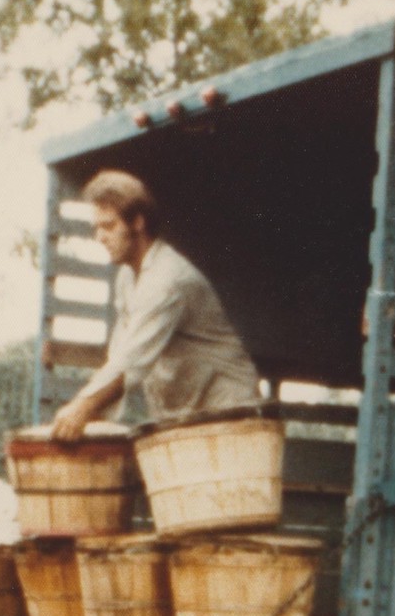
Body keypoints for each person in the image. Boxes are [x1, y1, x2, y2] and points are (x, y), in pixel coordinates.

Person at [50, 170, 260, 440]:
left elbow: (131, 360)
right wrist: (93, 410)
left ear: (138, 222)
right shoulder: (127, 277)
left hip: (230, 412)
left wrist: (83, 406)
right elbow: (119, 354)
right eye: (97, 228)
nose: (100, 237)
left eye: (109, 226)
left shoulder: (167, 279)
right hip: (187, 414)